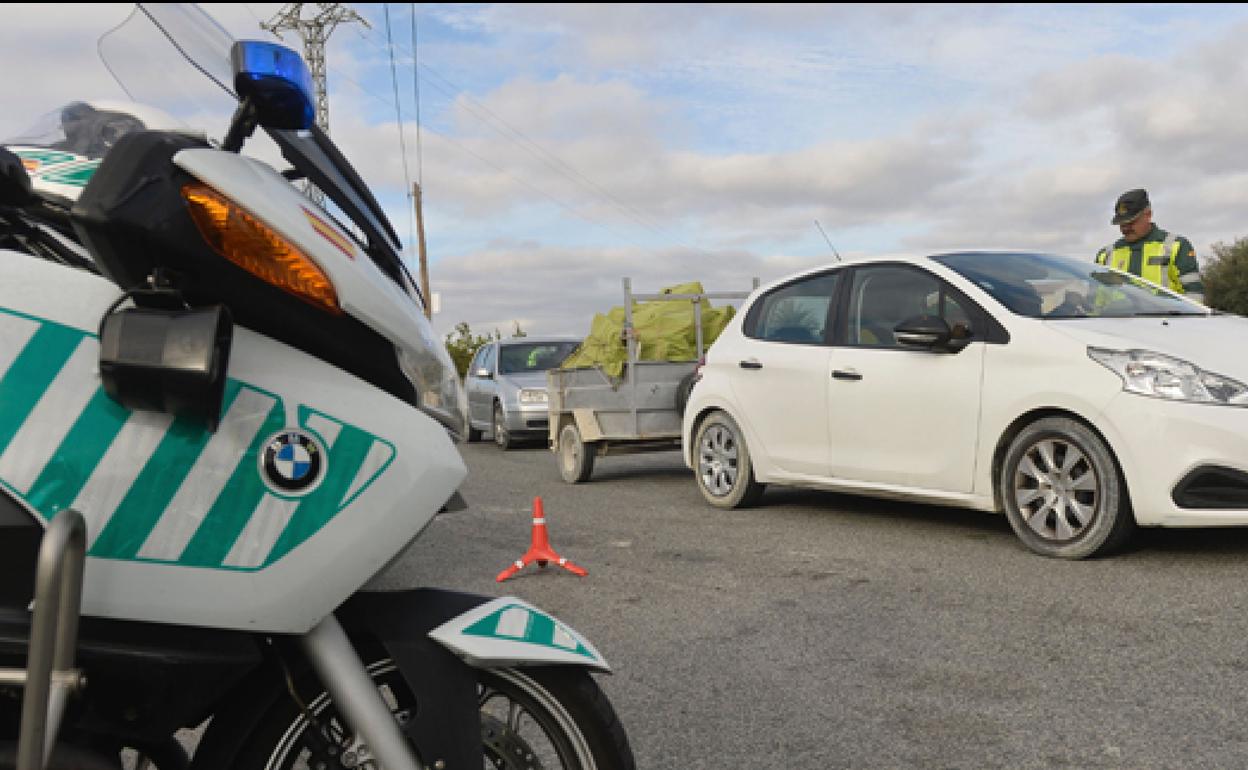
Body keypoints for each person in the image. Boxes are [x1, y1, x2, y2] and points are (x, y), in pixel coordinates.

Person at [1095, 188, 1204, 303]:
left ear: (1148, 215)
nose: (1125, 228)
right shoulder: (1105, 255)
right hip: (1113, 320)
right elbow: (1096, 300)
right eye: (1121, 223)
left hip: (1165, 320)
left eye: (1131, 222)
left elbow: (1194, 295)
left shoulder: (1176, 246)